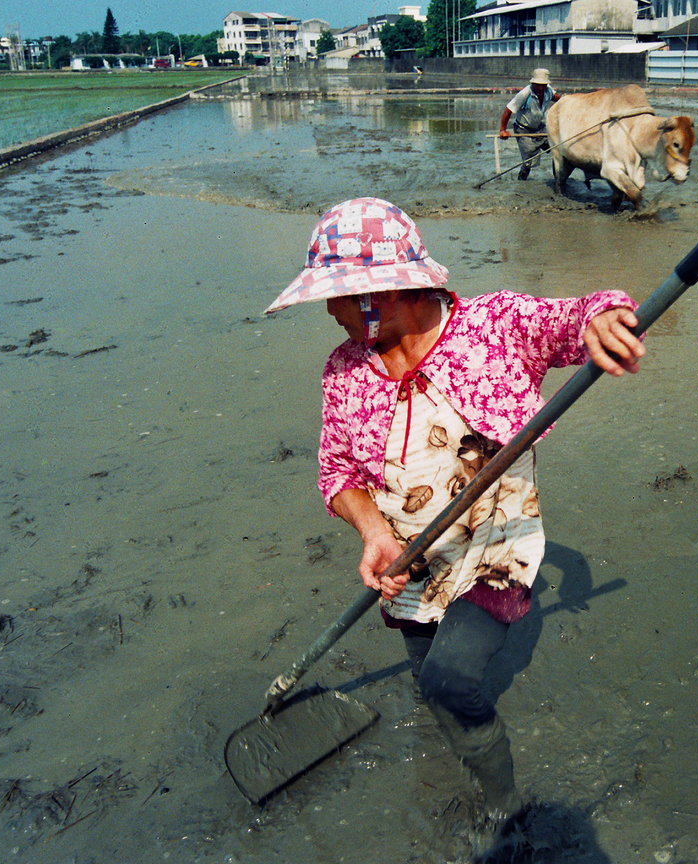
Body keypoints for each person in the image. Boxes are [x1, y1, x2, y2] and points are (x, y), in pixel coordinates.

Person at [264, 197, 644, 822]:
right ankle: (456, 748)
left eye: (337, 297)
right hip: (413, 563)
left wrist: (604, 318)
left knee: (451, 680)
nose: (330, 312)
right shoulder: (345, 373)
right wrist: (373, 532)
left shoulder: (492, 329)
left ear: (382, 293)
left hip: (495, 549)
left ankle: (505, 811)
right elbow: (337, 473)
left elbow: (572, 317)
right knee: (429, 681)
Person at [499, 68, 558, 181]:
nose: (540, 88)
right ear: (533, 83)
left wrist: (571, 101)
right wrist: (503, 130)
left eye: (543, 85)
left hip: (539, 127)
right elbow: (508, 110)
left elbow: (557, 98)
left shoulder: (548, 91)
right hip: (523, 129)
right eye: (538, 85)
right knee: (528, 161)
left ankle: (558, 179)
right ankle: (521, 181)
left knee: (556, 147)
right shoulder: (525, 94)